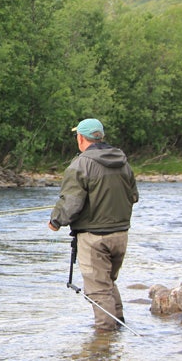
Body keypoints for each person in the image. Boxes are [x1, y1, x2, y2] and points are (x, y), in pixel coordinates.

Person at [48, 118, 139, 331]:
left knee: (98, 290)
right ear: (101, 137)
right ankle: (118, 331)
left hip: (93, 238)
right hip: (120, 235)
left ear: (81, 138)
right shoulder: (123, 162)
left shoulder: (81, 164)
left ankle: (104, 342)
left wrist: (55, 221)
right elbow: (133, 196)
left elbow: (71, 202)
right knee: (107, 284)